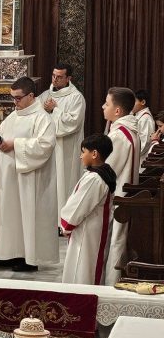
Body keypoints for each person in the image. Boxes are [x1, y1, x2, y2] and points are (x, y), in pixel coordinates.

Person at [0, 76, 58, 272]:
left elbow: (45, 145)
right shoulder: (14, 116)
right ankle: (8, 253)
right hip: (9, 178)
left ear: (31, 96)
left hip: (29, 179)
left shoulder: (42, 118)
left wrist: (16, 144)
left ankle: (28, 258)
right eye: (12, 97)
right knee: (9, 215)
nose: (15, 102)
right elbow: (0, 134)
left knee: (27, 216)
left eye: (18, 98)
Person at [60, 134, 117, 285]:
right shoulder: (103, 172)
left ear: (94, 154)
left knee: (83, 269)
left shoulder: (94, 178)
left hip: (88, 231)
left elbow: (79, 206)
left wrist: (66, 225)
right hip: (94, 228)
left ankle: (82, 297)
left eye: (83, 151)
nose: (80, 156)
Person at [103, 87, 142, 285]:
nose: (103, 107)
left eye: (107, 103)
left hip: (118, 197)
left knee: (115, 243)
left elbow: (106, 172)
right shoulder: (130, 131)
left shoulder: (118, 136)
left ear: (117, 111)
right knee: (118, 241)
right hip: (126, 196)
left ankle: (111, 285)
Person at [38, 63, 86, 214]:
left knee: (64, 183)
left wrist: (55, 110)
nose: (55, 79)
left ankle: (63, 218)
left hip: (66, 149)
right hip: (48, 148)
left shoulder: (76, 98)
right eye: (53, 76)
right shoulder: (45, 95)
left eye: (59, 77)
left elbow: (73, 123)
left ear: (68, 78)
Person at [133, 90, 155, 163]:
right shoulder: (139, 115)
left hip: (141, 160)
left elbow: (145, 143)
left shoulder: (146, 118)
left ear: (143, 102)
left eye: (134, 102)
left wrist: (132, 155)